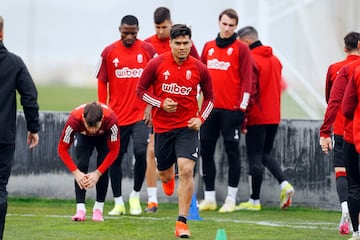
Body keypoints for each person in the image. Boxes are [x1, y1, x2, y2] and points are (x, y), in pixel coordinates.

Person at [136, 24, 214, 238]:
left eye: (185, 43)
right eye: (177, 43)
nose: (182, 47)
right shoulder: (157, 63)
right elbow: (140, 91)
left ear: (190, 43)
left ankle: (181, 222)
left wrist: (200, 118)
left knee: (186, 170)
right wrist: (160, 104)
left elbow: (210, 98)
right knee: (164, 172)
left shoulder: (200, 68)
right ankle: (167, 179)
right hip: (163, 128)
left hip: (187, 128)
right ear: (170, 43)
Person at [96, 15, 156, 216]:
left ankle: (135, 196)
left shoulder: (148, 50)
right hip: (116, 117)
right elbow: (101, 81)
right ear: (119, 29)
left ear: (138, 30)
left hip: (141, 115)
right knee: (115, 158)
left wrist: (150, 105)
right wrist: (104, 109)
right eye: (125, 32)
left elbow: (156, 79)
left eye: (133, 32)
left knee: (141, 152)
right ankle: (119, 201)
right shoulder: (108, 52)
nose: (129, 36)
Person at [143, 6, 200, 213]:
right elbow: (146, 80)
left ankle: (181, 213)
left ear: (171, 23)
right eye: (157, 27)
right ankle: (152, 198)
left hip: (184, 117)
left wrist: (197, 111)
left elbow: (197, 76)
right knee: (151, 152)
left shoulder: (184, 43)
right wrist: (151, 105)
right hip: (158, 110)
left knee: (185, 166)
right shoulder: (149, 44)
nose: (160, 31)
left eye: (164, 27)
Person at [198, 8, 255, 213]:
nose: (227, 28)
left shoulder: (241, 49)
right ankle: (210, 198)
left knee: (232, 153)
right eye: (224, 24)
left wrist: (242, 108)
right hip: (210, 110)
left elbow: (248, 80)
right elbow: (200, 77)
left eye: (231, 25)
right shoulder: (208, 47)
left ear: (236, 27)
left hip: (232, 111)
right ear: (219, 23)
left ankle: (230, 199)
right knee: (206, 152)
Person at [235, 26, 295, 211]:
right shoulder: (275, 60)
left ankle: (254, 201)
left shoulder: (251, 59)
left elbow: (250, 91)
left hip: (257, 116)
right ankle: (284, 184)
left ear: (246, 42)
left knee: (255, 157)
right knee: (265, 155)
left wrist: (244, 118)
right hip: (274, 116)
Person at [0, 16, 40, 239]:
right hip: (3, 137)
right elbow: (30, 97)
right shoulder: (14, 62)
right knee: (0, 188)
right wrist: (33, 128)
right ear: (2, 34)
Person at [319, 32, 360, 235]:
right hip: (355, 130)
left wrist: (325, 130)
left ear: (345, 48)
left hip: (344, 130)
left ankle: (346, 209)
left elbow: (332, 100)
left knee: (343, 172)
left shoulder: (338, 69)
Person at [58, 102, 120, 222]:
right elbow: (62, 148)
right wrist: (75, 172)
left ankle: (98, 209)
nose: (92, 130)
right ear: (83, 118)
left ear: (102, 119)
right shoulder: (73, 120)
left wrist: (98, 173)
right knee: (82, 165)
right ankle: (80, 209)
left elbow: (115, 150)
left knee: (103, 166)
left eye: (95, 126)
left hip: (103, 137)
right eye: (88, 126)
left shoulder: (111, 121)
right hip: (83, 137)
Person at [341, 65, 360, 240]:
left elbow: (346, 108)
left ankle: (357, 232)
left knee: (354, 185)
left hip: (354, 138)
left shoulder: (355, 71)